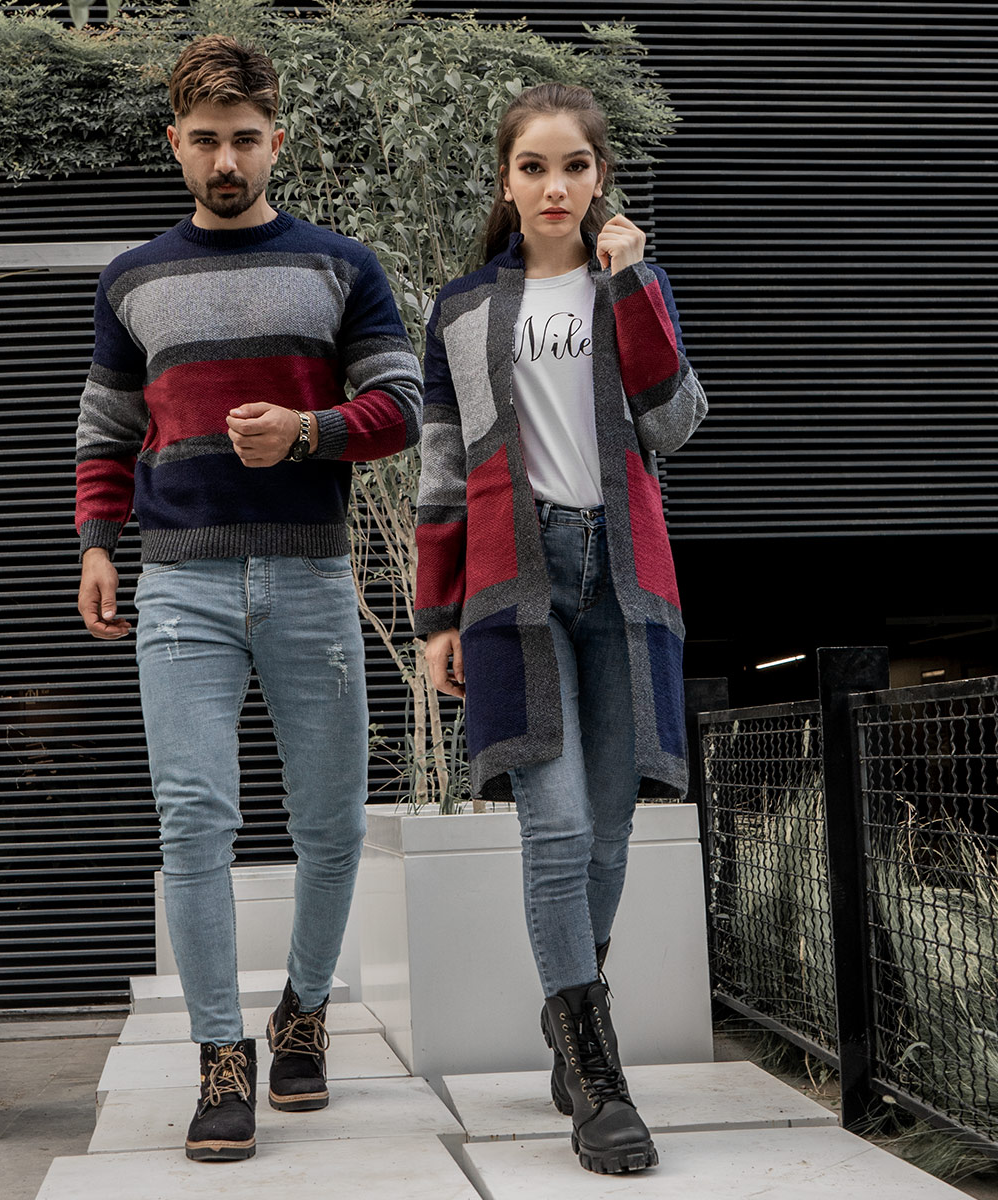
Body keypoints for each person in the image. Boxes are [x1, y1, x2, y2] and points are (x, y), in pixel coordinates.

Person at [74, 34, 422, 1163]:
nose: (226, 160)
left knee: (331, 824)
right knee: (194, 823)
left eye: (245, 139)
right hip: (180, 584)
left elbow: (403, 406)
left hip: (310, 575)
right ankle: (221, 1055)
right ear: (175, 144)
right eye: (206, 141)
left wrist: (308, 431)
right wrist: (95, 543)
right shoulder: (132, 279)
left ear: (278, 140)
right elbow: (107, 428)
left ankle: (303, 1013)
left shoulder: (340, 266)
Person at [414, 82, 707, 1175]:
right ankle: (596, 1075)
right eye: (534, 167)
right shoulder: (460, 310)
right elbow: (443, 470)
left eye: (574, 166)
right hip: (513, 586)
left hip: (625, 582)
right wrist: (436, 614)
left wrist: (629, 286)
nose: (554, 186)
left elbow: (675, 423)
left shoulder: (635, 285)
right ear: (507, 179)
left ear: (600, 177)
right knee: (556, 826)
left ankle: (569, 1015)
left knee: (610, 829)